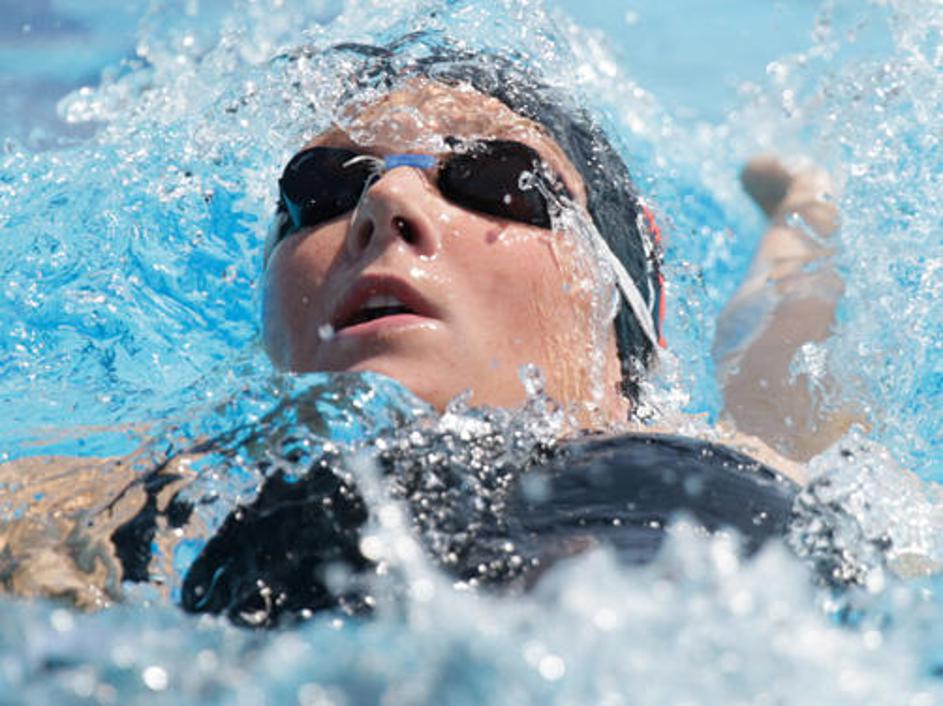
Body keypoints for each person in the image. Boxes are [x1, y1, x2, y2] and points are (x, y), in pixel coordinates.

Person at [0, 37, 853, 619]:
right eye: (322, 189)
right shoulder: (118, 502)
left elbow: (779, 338)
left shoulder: (758, 467)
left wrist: (802, 215)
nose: (384, 200)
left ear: (623, 313)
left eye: (498, 178)